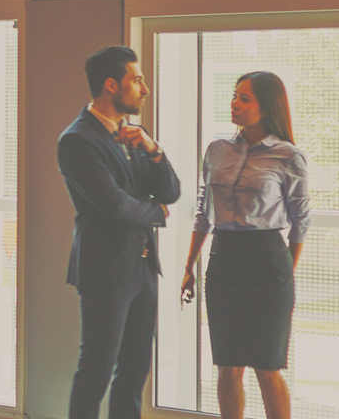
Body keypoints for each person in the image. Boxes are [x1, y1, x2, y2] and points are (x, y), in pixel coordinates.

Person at [58, 45, 181, 419]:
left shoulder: (135, 136)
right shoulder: (77, 139)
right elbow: (113, 204)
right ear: (112, 85)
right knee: (95, 372)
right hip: (106, 271)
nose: (144, 88)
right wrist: (156, 213)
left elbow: (171, 192)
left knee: (133, 374)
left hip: (143, 270)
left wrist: (155, 150)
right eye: (137, 80)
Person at [178, 72, 306, 419]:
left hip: (268, 259)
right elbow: (204, 212)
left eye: (244, 98)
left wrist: (285, 273)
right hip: (224, 258)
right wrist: (189, 264)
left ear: (267, 106)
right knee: (228, 365)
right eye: (234, 96)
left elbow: (301, 222)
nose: (234, 103)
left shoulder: (287, 155)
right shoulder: (217, 150)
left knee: (267, 367)